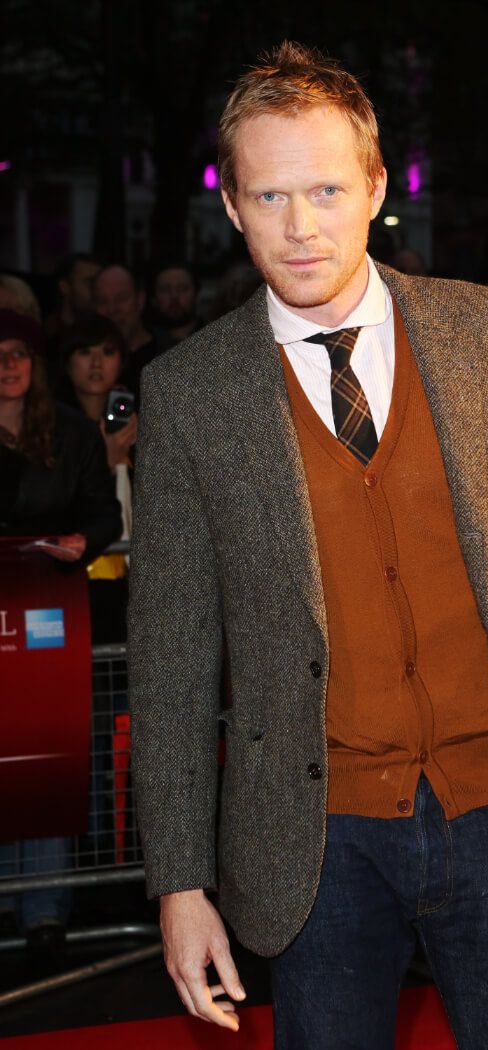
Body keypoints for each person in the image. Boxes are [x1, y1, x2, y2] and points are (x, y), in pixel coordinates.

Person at [129, 42, 488, 1049]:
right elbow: (169, 662)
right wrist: (180, 885)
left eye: (326, 189)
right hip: (311, 840)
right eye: (270, 195)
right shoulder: (190, 393)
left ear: (376, 189)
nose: (300, 225)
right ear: (232, 206)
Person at [0, 307, 122, 968]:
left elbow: (106, 513)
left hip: (47, 615)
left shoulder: (71, 432)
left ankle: (44, 906)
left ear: (37, 364)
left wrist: (83, 541)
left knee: (43, 752)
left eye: (19, 353)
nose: (8, 366)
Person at [55, 314, 137, 644]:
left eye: (108, 351)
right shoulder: (51, 426)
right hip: (72, 575)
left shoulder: (144, 421)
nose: (96, 363)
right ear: (67, 362)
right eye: (85, 351)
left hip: (133, 578)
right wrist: (106, 461)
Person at [93, 264, 160, 404]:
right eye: (102, 301)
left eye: (121, 299)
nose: (112, 309)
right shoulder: (88, 364)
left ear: (140, 300)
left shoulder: (169, 356)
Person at [148, 262, 201, 347]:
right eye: (165, 290)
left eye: (182, 289)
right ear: (153, 299)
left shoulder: (215, 337)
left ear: (196, 295)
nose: (174, 296)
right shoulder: (143, 342)